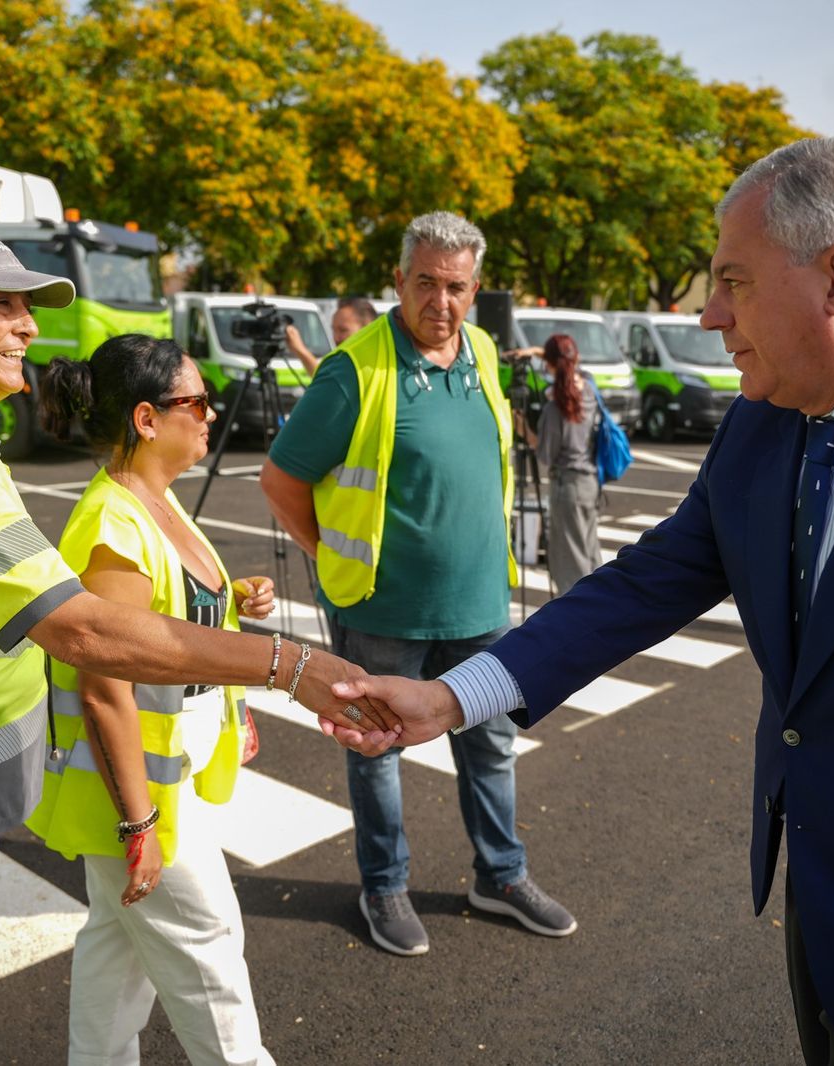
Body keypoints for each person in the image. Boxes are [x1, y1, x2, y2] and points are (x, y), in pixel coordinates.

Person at [333, 135, 834, 1065]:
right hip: (826, 926)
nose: (710, 314)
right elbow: (644, 584)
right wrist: (452, 696)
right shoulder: (764, 420)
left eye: (733, 282)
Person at [0, 227, 394, 1065]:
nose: (27, 325)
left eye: (29, 307)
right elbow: (84, 631)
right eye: (1, 305)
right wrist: (288, 664)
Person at [260, 212, 576, 957]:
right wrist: (328, 556)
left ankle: (501, 876)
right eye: (426, 283)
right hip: (382, 611)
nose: (441, 301)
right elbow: (280, 479)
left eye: (456, 287)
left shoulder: (484, 351)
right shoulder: (354, 370)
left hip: (479, 605)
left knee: (492, 749)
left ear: (476, 288)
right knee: (376, 753)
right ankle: (384, 886)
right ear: (398, 281)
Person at [26, 335, 278, 1066]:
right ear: (146, 418)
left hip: (163, 785)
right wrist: (140, 825)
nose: (211, 414)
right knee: (210, 953)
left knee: (118, 953)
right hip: (143, 798)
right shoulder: (114, 525)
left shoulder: (153, 501)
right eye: (196, 401)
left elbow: (164, 620)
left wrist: (230, 598)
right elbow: (104, 686)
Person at [531, 332, 602, 593]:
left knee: (570, 564)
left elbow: (545, 455)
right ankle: (599, 608)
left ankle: (580, 612)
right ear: (577, 357)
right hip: (590, 482)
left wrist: (522, 427)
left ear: (549, 364)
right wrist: (544, 354)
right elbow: (569, 367)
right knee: (589, 554)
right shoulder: (590, 391)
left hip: (567, 489)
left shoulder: (555, 408)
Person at [282, 296, 379, 374]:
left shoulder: (367, 367)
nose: (336, 338)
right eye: (334, 330)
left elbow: (325, 378)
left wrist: (300, 349)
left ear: (367, 330)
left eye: (343, 330)